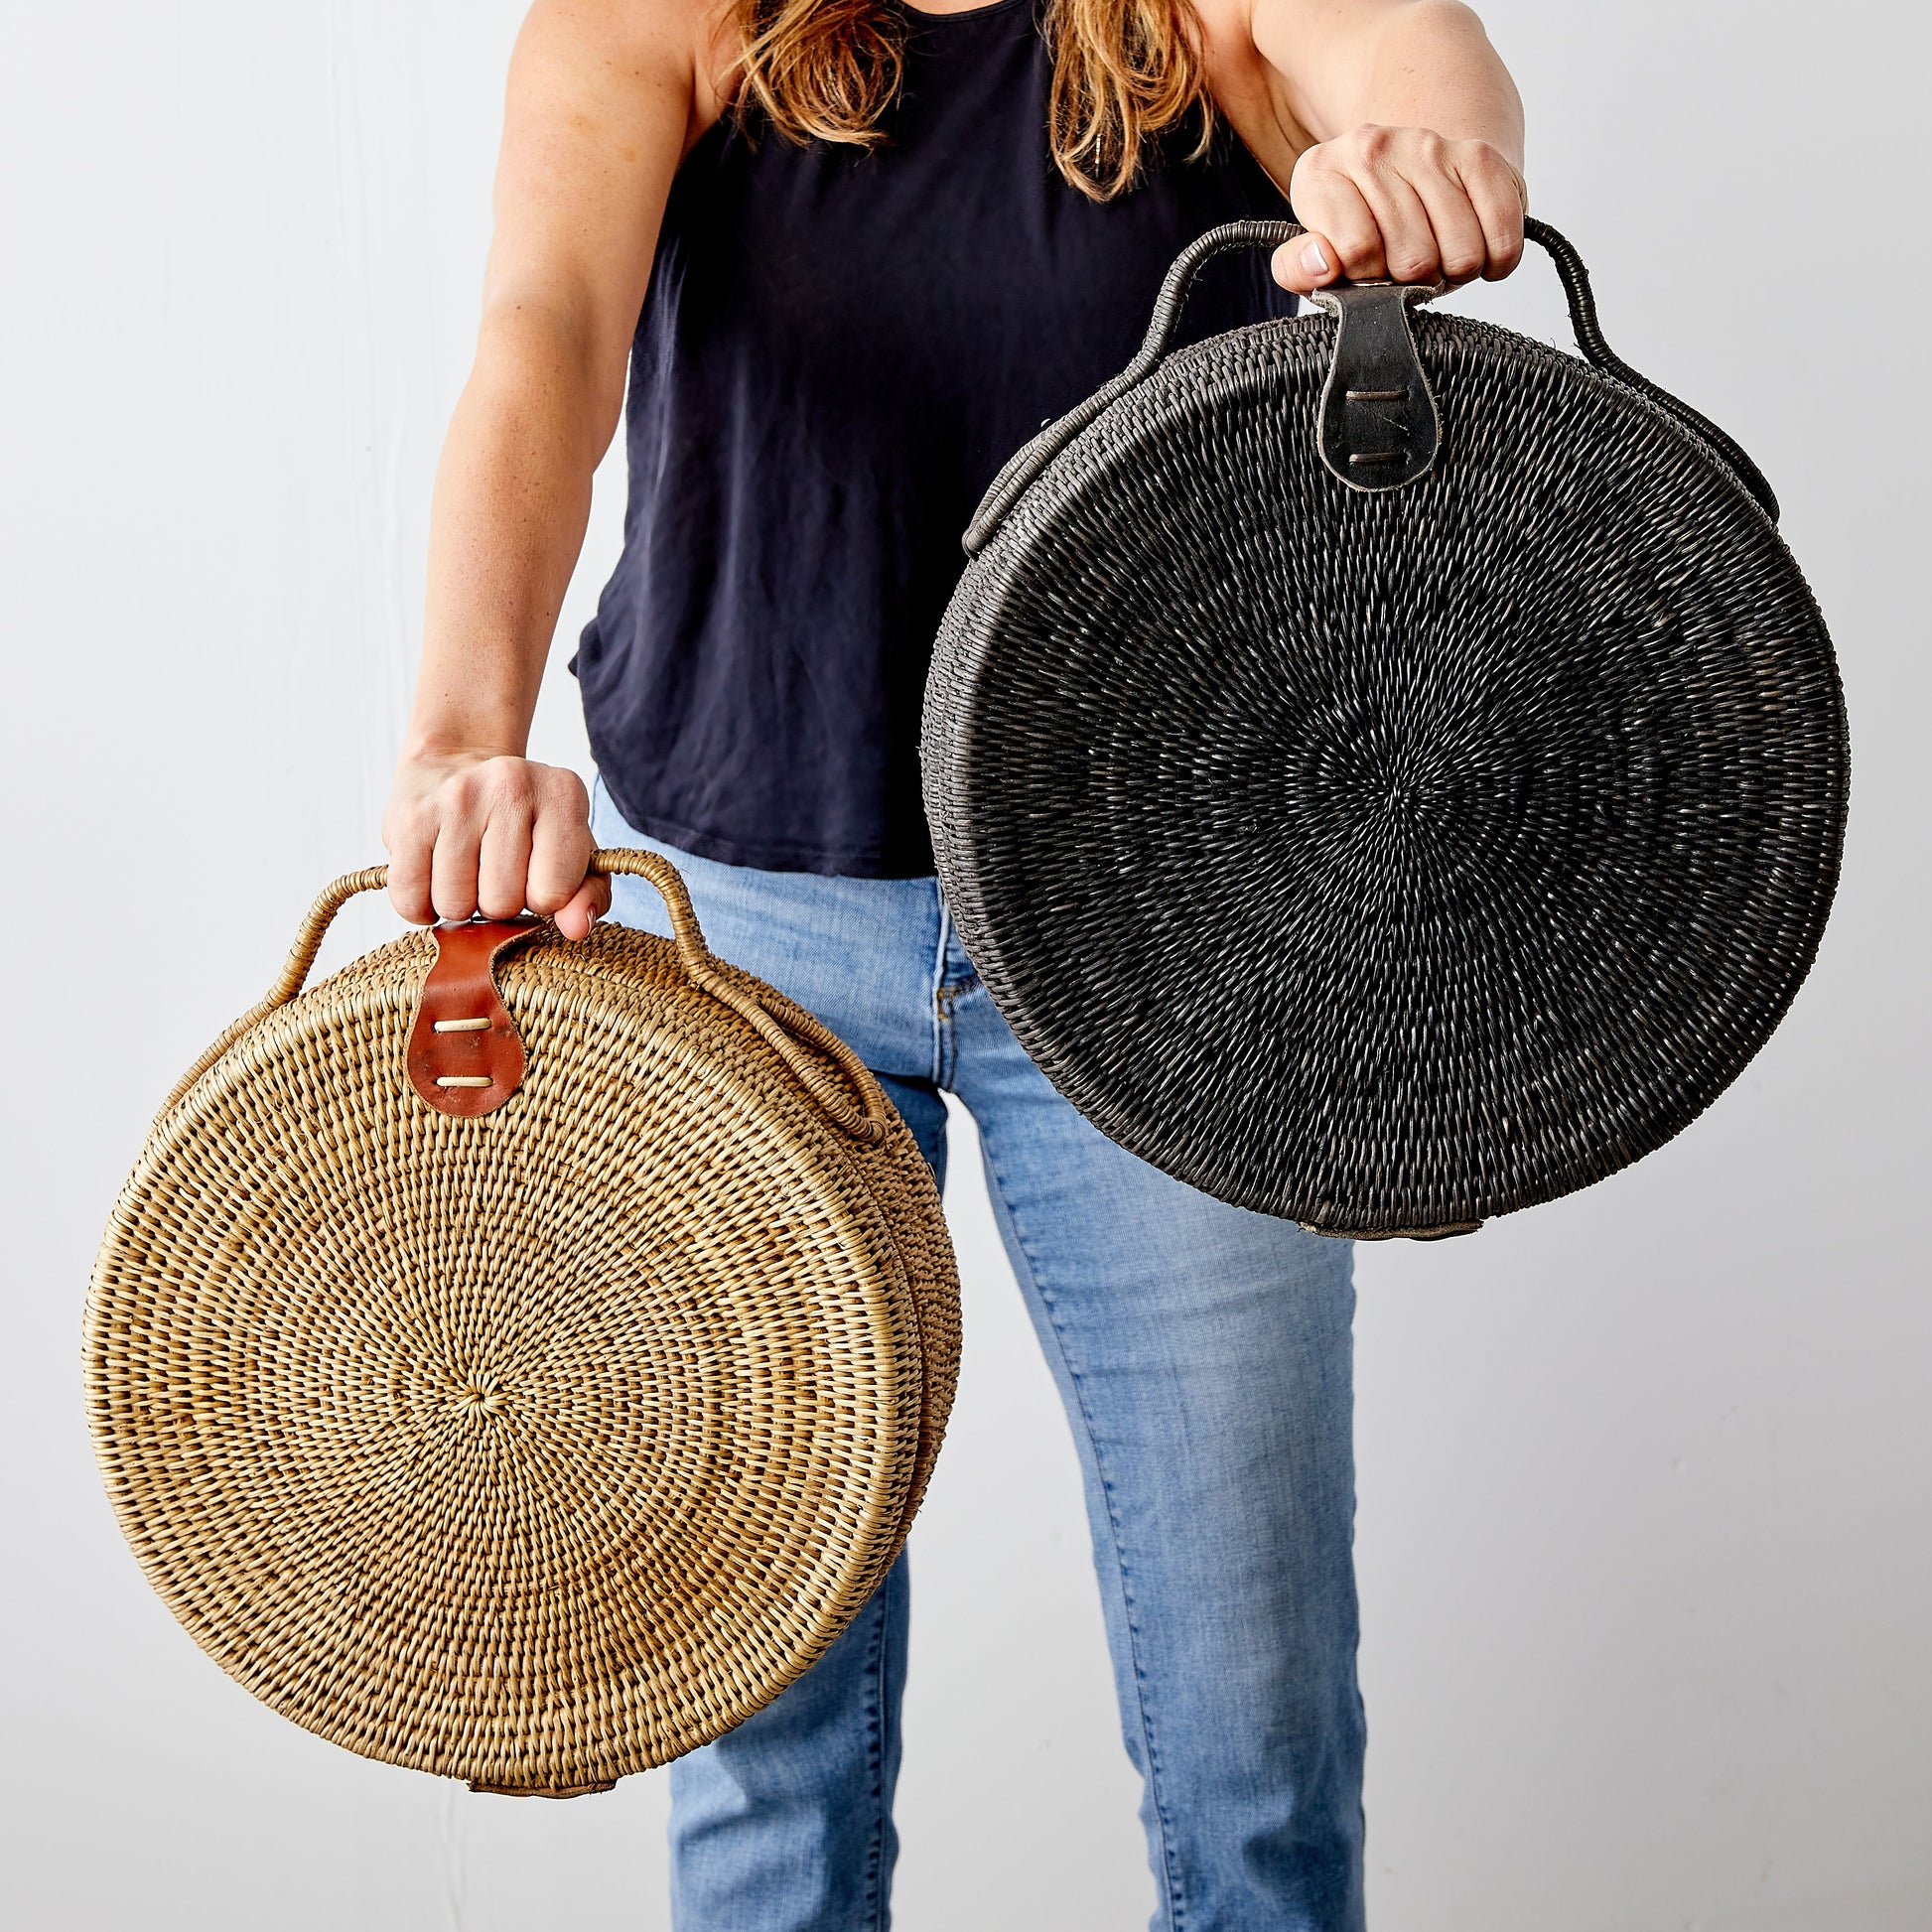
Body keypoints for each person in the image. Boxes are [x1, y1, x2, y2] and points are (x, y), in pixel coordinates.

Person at [382, 0, 1526, 1922]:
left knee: (1258, 1746)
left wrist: (1429, 155)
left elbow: (1413, 57)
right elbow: (545, 341)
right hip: (748, 921)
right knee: (766, 1749)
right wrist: (454, 733)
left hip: (1176, 933)